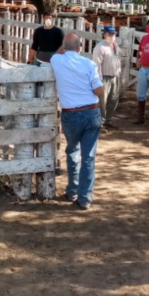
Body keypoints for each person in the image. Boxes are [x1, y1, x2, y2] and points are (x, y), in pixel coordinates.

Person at [50, 33, 105, 210]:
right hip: (91, 111)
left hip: (71, 114)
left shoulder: (56, 60)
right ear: (80, 47)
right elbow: (98, 90)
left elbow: (58, 52)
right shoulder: (89, 64)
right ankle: (85, 197)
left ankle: (72, 190)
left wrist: (64, 46)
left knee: (73, 150)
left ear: (64, 47)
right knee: (89, 156)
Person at [92, 25, 122, 130]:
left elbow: (118, 61)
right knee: (102, 101)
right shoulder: (100, 47)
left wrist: (118, 74)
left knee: (113, 99)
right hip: (104, 77)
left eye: (113, 34)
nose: (111, 36)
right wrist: (98, 80)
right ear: (104, 34)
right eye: (109, 34)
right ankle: (100, 123)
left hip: (115, 76)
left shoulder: (116, 46)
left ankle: (108, 120)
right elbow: (97, 65)